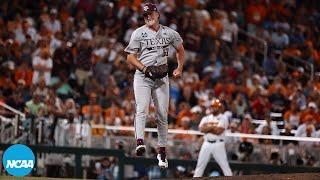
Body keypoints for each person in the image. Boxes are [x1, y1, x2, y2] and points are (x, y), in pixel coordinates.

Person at [124, 3, 185, 169]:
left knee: (162, 115)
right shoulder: (138, 33)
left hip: (162, 77)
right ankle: (139, 142)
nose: (148, 17)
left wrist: (179, 68)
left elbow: (180, 50)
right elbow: (130, 57)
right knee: (142, 108)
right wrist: (144, 68)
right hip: (143, 76)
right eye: (145, 15)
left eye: (150, 14)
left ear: (157, 14)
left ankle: (162, 152)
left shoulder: (170, 33)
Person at [194, 99, 232, 177]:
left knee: (225, 166)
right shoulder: (206, 118)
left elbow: (218, 131)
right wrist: (212, 127)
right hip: (206, 143)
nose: (214, 108)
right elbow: (201, 129)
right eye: (212, 106)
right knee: (200, 165)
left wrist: (207, 128)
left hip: (218, 144)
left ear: (220, 108)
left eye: (216, 107)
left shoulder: (224, 118)